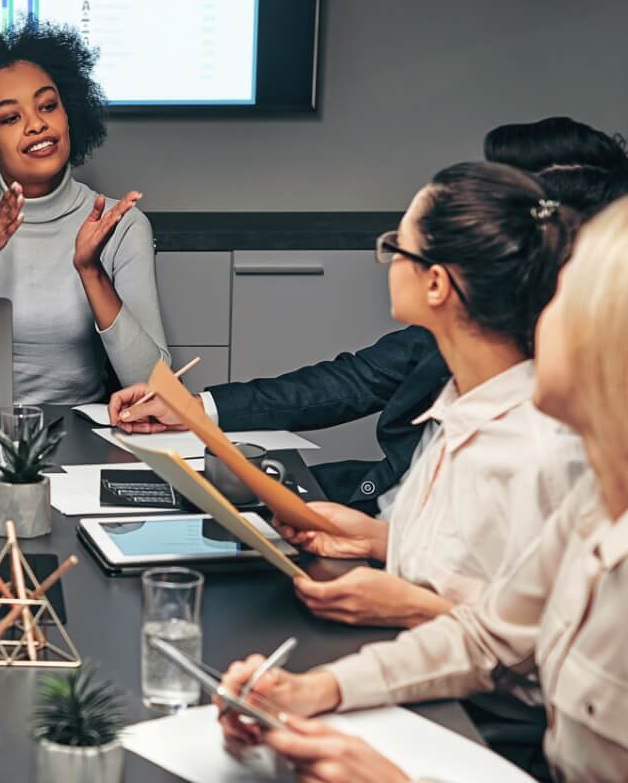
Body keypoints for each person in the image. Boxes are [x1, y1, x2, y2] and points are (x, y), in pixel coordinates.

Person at [216, 198, 628, 783]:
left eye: (564, 295)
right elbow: (485, 632)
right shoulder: (600, 500)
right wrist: (318, 690)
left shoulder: (550, 453)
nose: (536, 312)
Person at [110, 116, 628, 511]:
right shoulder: (462, 320)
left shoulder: (553, 407)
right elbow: (350, 381)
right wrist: (195, 408)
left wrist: (376, 544)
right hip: (382, 505)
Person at [271, 163, 587, 632]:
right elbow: (477, 573)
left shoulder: (540, 447)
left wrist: (417, 608)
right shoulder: (457, 407)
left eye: (395, 248)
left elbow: (562, 642)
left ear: (436, 283)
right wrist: (378, 540)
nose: (389, 261)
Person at [0, 22, 169, 404]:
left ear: (69, 115)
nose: (37, 125)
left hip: (87, 437)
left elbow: (158, 391)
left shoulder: (121, 224)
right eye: (10, 118)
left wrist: (90, 271)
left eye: (48, 106)